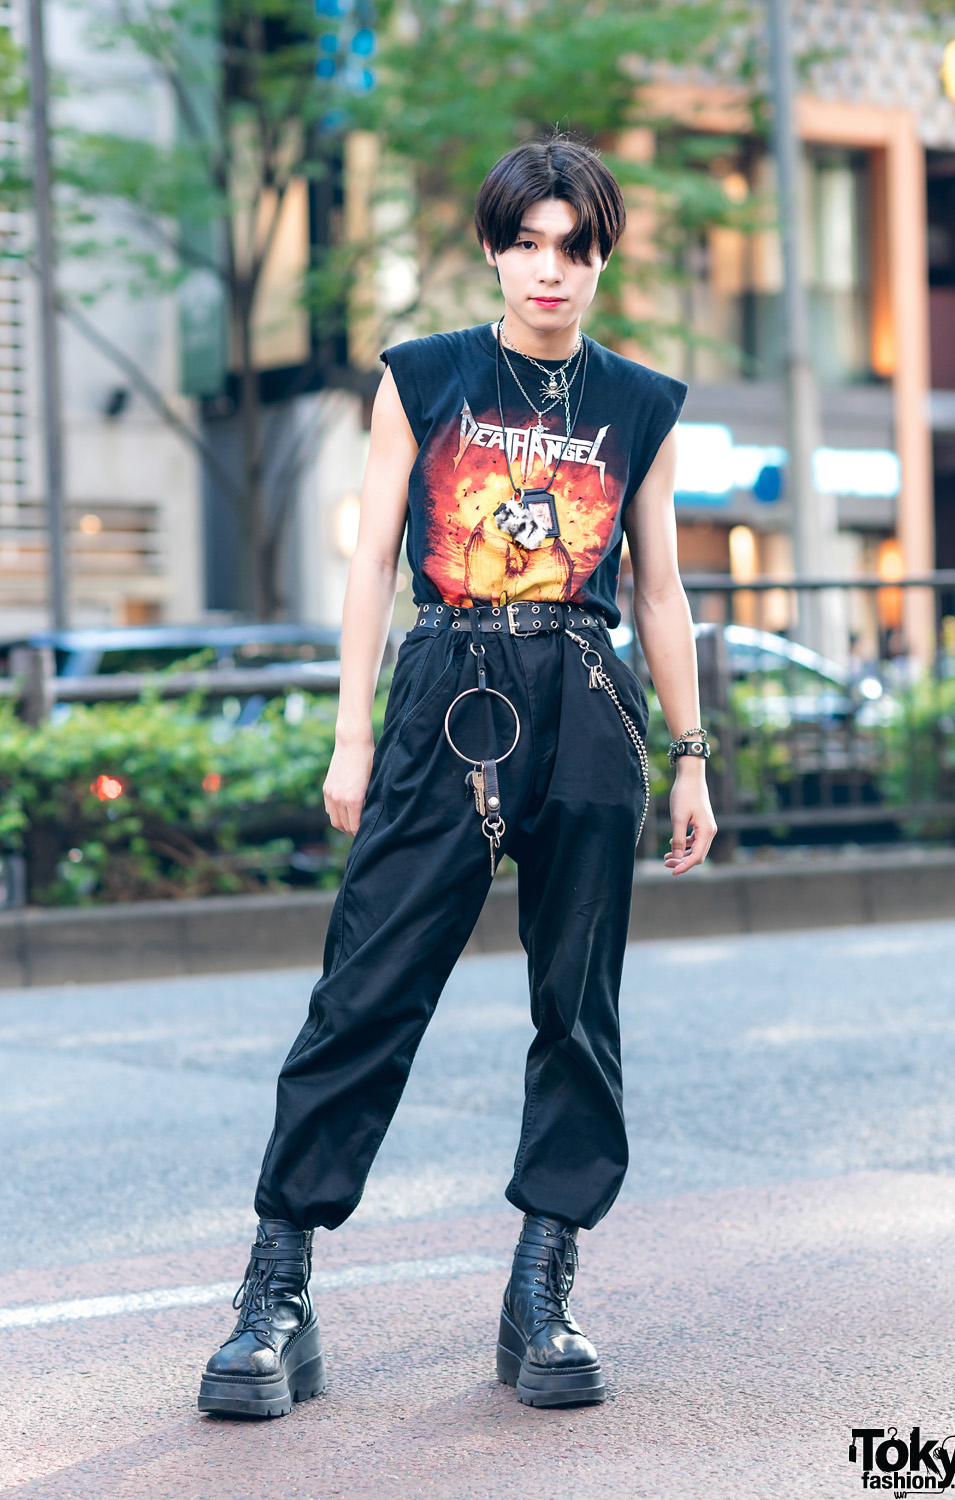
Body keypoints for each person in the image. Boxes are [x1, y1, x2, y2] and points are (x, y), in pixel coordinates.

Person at [197, 135, 717, 1419]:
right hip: (446, 688)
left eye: (575, 248)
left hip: (588, 700)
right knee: (366, 988)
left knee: (577, 1005)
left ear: (600, 260)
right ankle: (278, 1291)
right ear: (494, 249)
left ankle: (542, 1283)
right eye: (528, 243)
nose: (550, 271)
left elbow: (658, 588)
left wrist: (693, 756)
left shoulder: (639, 402)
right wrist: (352, 735)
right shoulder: (424, 378)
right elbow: (371, 560)